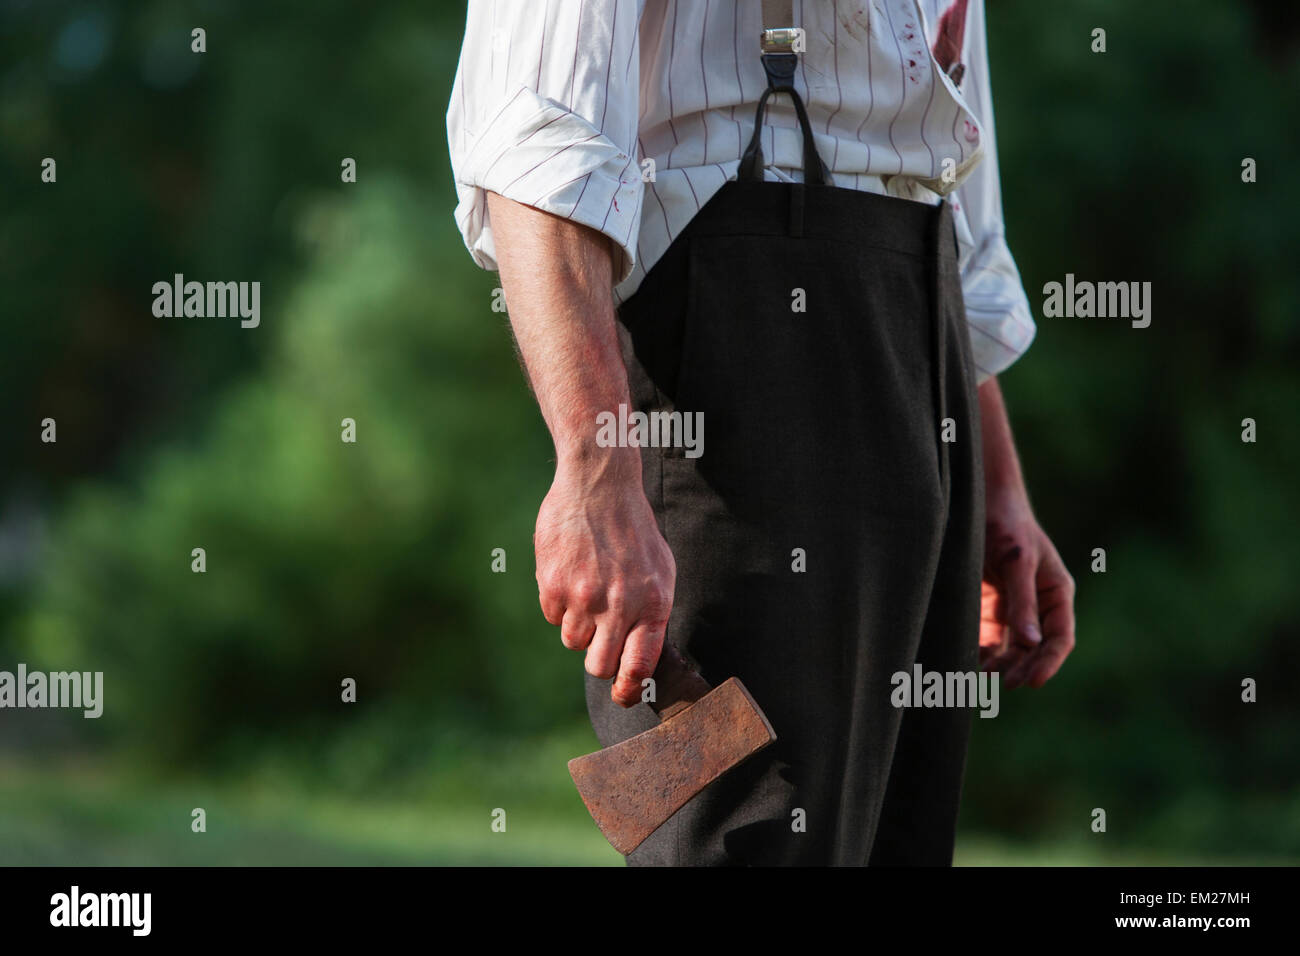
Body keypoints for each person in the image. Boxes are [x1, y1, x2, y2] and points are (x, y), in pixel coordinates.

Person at [447, 0, 1076, 865]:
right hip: (733, 347)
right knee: (742, 839)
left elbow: (945, 166)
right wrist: (594, 472)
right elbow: (535, 134)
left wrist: (995, 482)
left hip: (919, 339)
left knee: (890, 842)